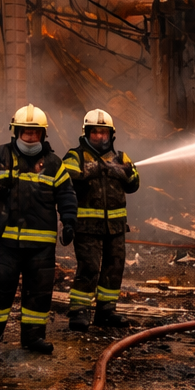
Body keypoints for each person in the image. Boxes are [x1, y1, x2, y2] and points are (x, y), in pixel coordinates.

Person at [0, 105, 77, 354]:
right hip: (5, 242)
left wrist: (69, 222)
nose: (30, 138)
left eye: (35, 133)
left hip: (41, 246)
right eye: (25, 133)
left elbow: (67, 195)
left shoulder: (53, 164)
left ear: (43, 135)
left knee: (39, 293)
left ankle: (33, 338)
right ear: (15, 131)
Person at [62, 109, 140, 331]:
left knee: (114, 268)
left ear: (111, 135)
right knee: (89, 268)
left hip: (115, 228)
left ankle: (106, 310)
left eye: (103, 133)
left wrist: (125, 173)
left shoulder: (121, 158)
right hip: (87, 228)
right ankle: (79, 311)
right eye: (94, 132)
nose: (99, 137)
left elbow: (134, 184)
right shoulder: (74, 156)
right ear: (86, 133)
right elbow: (67, 177)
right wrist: (93, 169)